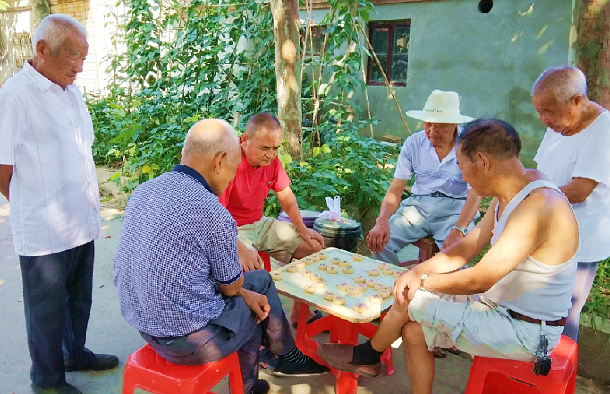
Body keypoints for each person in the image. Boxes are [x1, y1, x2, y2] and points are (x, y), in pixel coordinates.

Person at [317, 119, 579, 394]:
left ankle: (368, 355)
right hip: (500, 308)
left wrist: (422, 282)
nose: (463, 178)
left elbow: (480, 279)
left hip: (526, 331)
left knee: (413, 299)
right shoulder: (515, 189)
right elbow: (466, 248)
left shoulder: (536, 207)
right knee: (413, 330)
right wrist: (417, 272)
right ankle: (370, 358)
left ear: (483, 162)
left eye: (462, 167)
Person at [114, 119, 328, 394]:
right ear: (219, 161)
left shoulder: (144, 191)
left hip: (146, 328)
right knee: (259, 295)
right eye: (233, 167)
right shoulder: (212, 212)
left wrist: (243, 293)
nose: (232, 177)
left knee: (251, 293)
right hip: (189, 343)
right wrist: (247, 295)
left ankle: (262, 370)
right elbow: (231, 286)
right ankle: (269, 368)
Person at [0, 14, 118, 394]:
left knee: (79, 299)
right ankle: (47, 380)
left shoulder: (70, 91)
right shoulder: (16, 97)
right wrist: (29, 204)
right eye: (73, 55)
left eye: (84, 57)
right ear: (42, 50)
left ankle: (74, 353)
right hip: (44, 231)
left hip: (80, 221)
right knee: (46, 310)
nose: (80, 66)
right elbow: (0, 167)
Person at [532, 65, 610, 341]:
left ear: (576, 100)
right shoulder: (561, 123)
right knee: (538, 310)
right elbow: (540, 170)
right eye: (539, 111)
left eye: (548, 111)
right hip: (549, 233)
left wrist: (529, 200)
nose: (544, 119)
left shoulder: (605, 129)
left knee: (564, 316)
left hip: (581, 241)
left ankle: (558, 367)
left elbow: (579, 190)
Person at [367, 90, 481, 266]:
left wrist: (459, 229)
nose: (432, 131)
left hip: (456, 211)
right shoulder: (414, 143)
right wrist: (381, 221)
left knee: (456, 255)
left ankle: (442, 284)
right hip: (417, 208)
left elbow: (475, 195)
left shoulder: (469, 145)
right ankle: (392, 281)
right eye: (428, 124)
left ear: (455, 124)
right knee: (380, 243)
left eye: (441, 125)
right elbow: (396, 188)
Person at [219, 112, 325, 272]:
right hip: (234, 229)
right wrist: (240, 250)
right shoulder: (229, 161)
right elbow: (217, 217)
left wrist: (302, 229)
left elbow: (285, 195)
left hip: (260, 224)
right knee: (255, 270)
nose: (271, 154)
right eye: (264, 148)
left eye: (275, 148)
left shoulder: (273, 161)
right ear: (245, 139)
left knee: (315, 247)